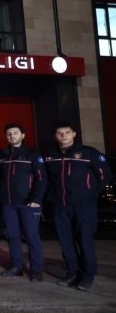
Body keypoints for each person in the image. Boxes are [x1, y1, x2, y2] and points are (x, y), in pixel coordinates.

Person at [44, 121, 112, 291]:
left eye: (67, 132)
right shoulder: (50, 156)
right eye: (60, 133)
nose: (63, 136)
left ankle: (88, 277)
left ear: (74, 134)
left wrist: (89, 195)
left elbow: (105, 176)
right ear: (55, 135)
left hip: (84, 207)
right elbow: (46, 180)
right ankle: (72, 273)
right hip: (60, 206)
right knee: (66, 242)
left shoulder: (89, 153)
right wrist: (51, 197)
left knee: (84, 240)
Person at [0, 123, 47, 281]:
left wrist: (36, 199)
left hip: (28, 203)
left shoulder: (33, 154)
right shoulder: (2, 155)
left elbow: (41, 178)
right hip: (8, 203)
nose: (12, 136)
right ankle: (16, 266)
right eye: (9, 134)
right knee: (12, 236)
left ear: (23, 135)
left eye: (15, 133)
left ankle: (36, 270)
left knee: (31, 236)